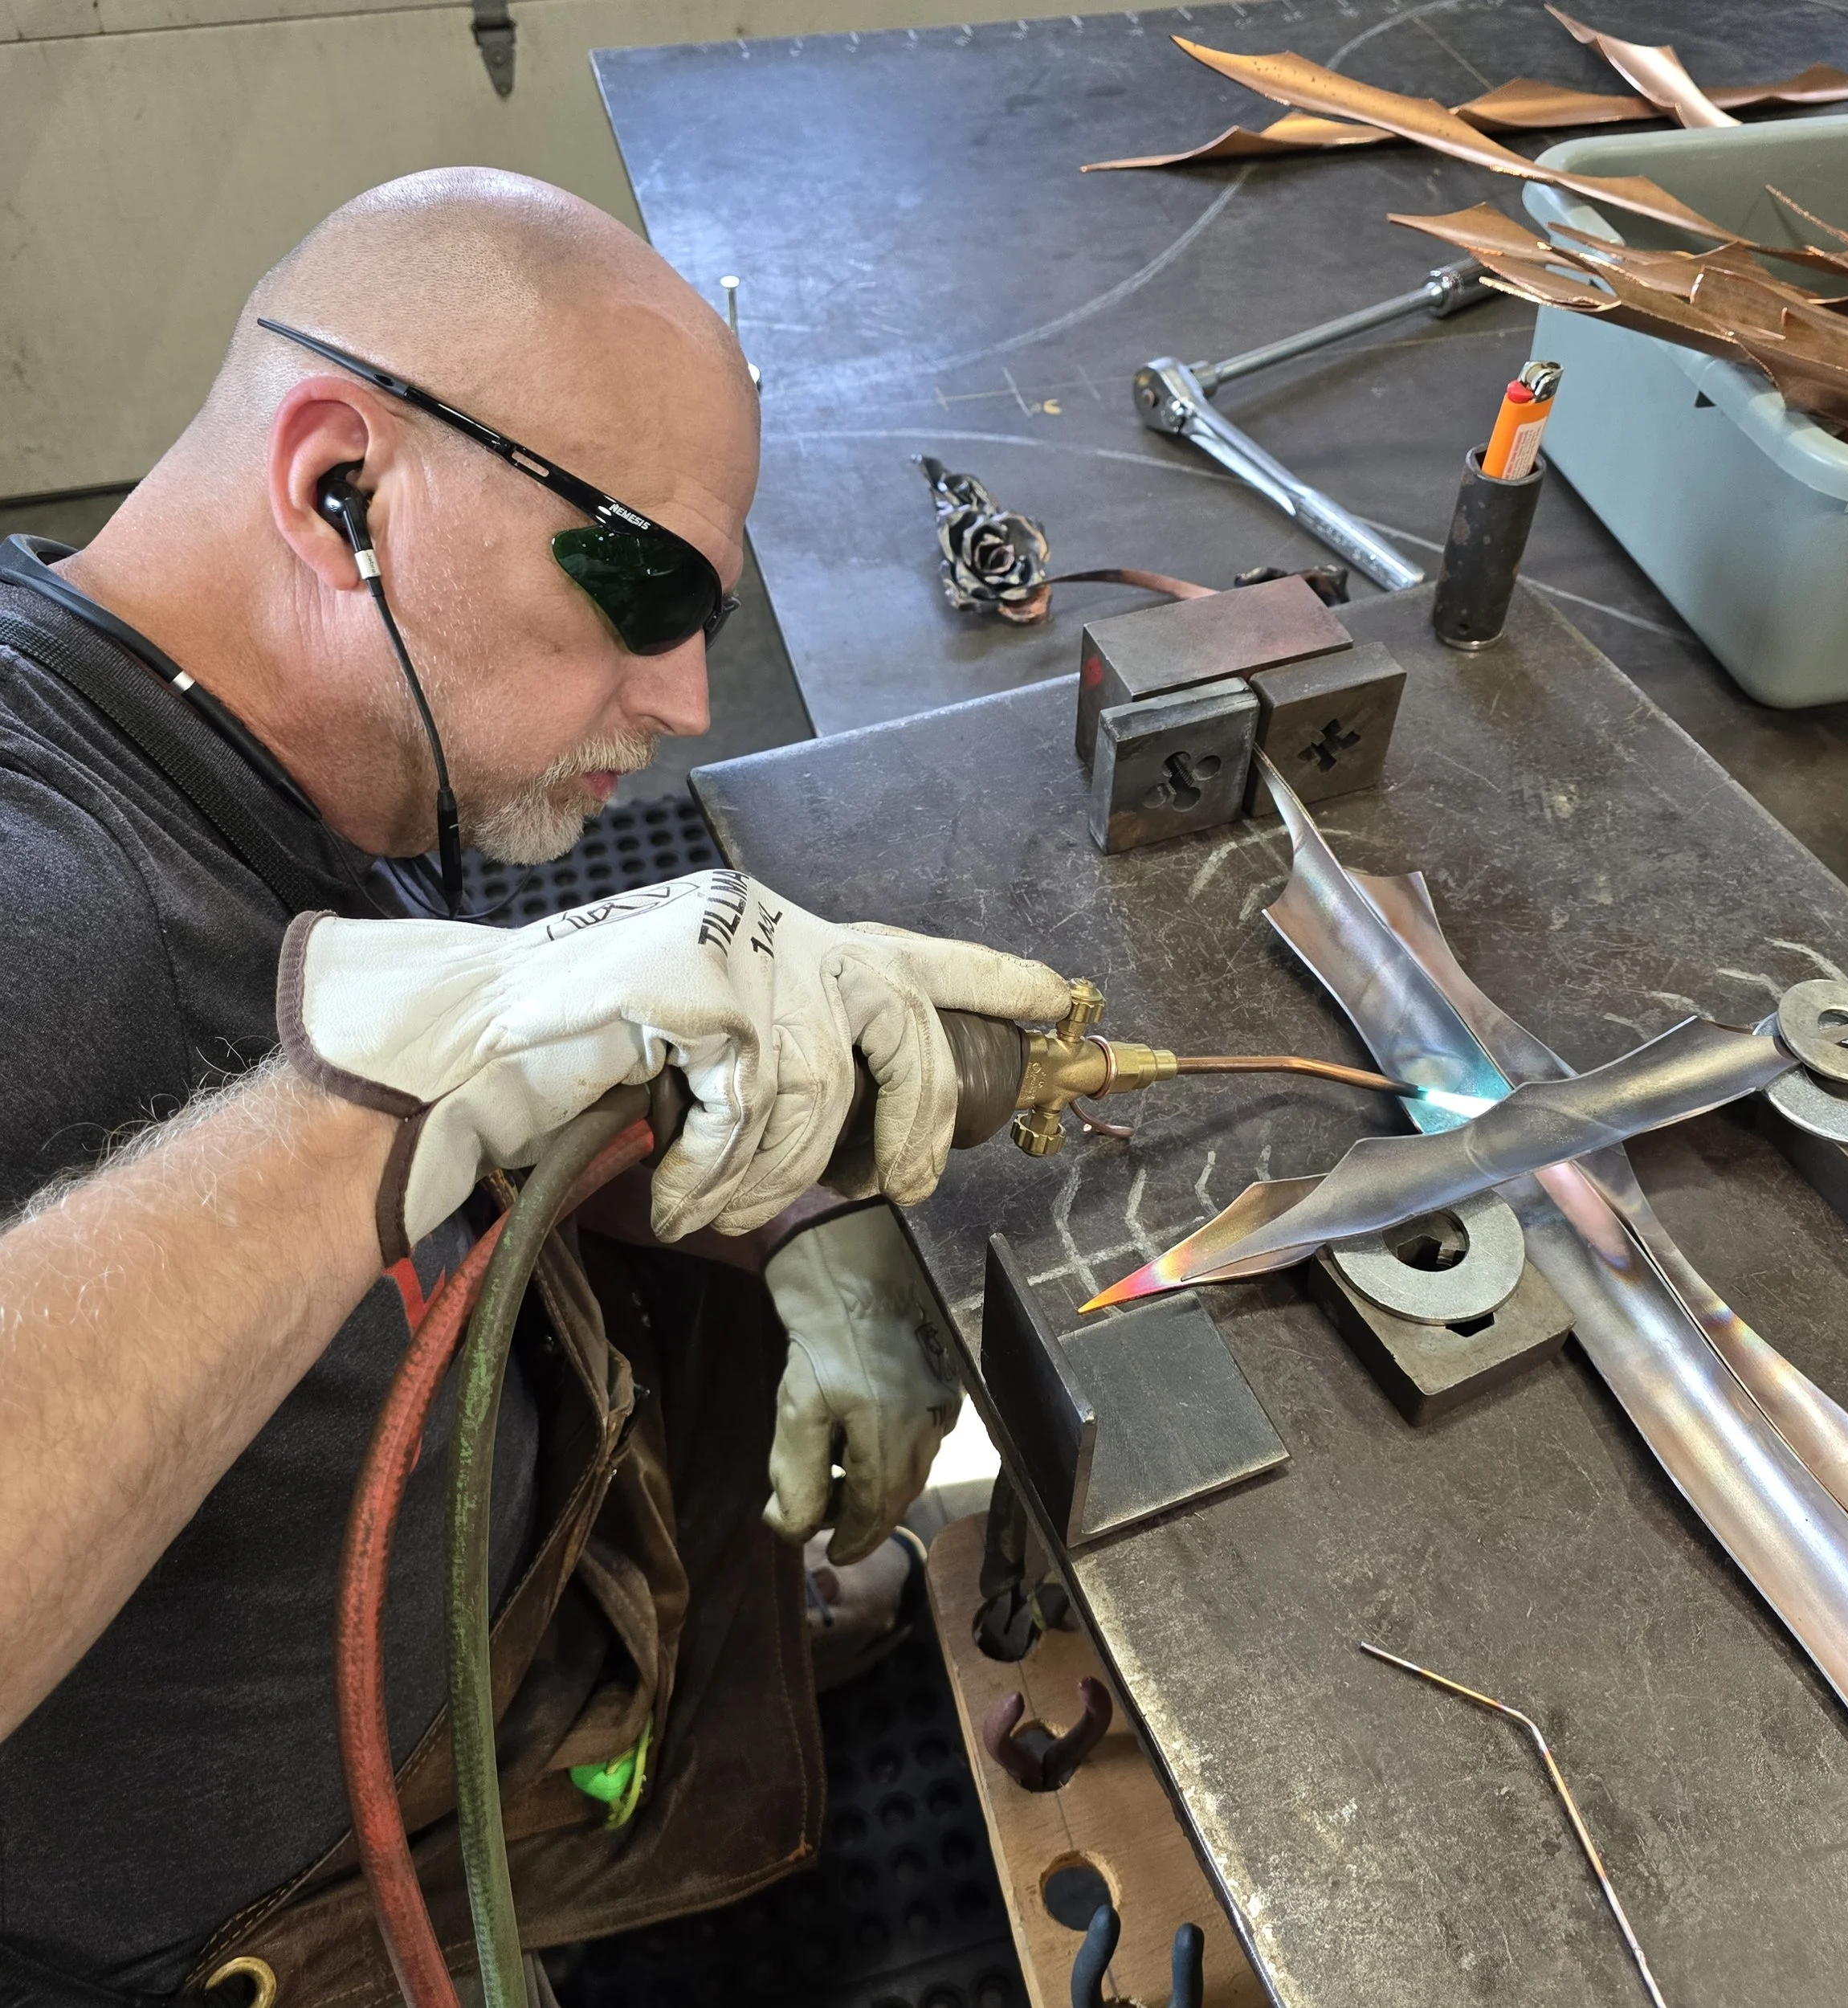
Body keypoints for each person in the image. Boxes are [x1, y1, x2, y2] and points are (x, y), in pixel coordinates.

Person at [0, 168, 1066, 2002]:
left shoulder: (227, 718)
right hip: (282, 1915)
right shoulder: (52, 903)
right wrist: (362, 1098)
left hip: (489, 1596)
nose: (685, 699)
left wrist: (798, 1233)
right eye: (642, 587)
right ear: (341, 485)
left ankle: (595, 1663)